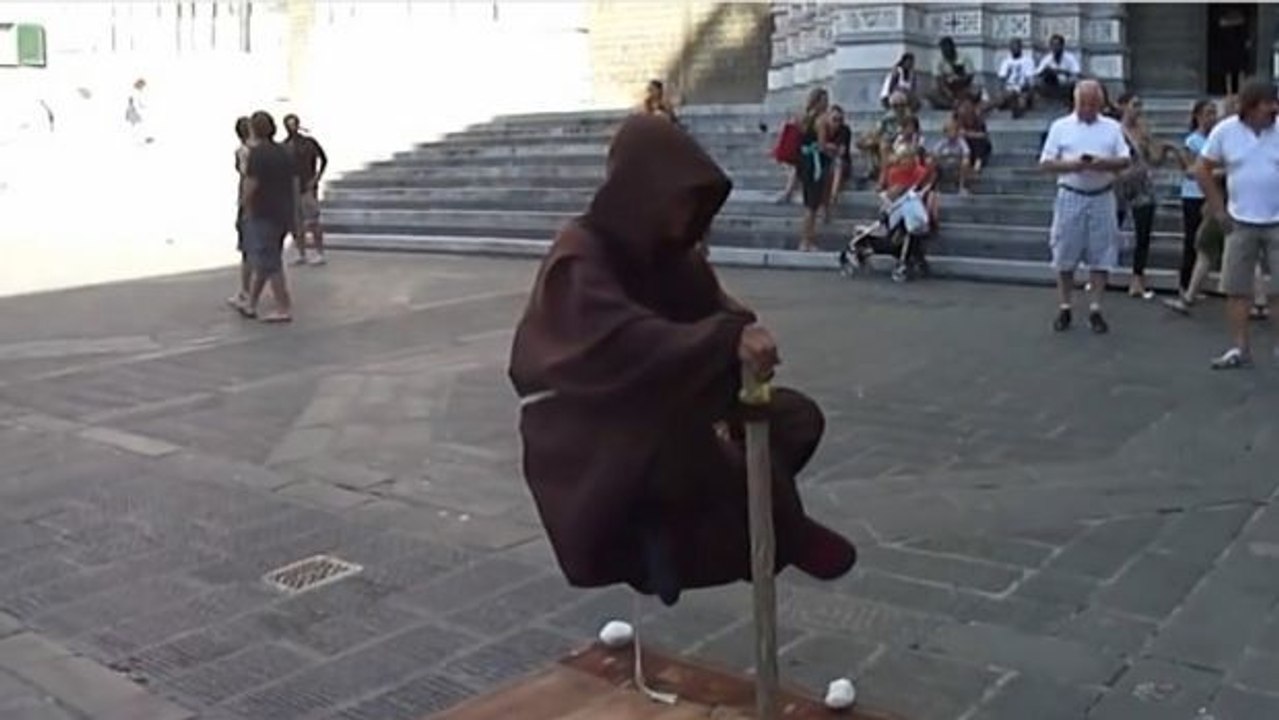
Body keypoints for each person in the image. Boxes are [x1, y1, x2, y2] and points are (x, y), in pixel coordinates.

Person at [507, 115, 856, 606]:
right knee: (695, 451)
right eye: (676, 203)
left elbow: (721, 312)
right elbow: (620, 341)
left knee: (794, 420)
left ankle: (680, 533)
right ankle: (783, 535)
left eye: (693, 207)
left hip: (670, 401)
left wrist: (739, 336)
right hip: (587, 423)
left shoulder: (674, 257)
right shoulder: (581, 253)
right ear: (641, 193)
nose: (682, 219)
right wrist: (724, 339)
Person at [1196, 80, 1279, 369]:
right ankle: (1239, 348)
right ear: (1251, 107)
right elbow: (1202, 169)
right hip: (1240, 221)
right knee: (1236, 289)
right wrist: (1219, 210)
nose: (1274, 109)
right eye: (1268, 104)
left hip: (1277, 221)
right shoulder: (1226, 131)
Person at [1039, 80, 1131, 334]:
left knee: (1102, 253)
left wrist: (1103, 162)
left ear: (1100, 104)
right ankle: (1065, 305)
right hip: (1071, 192)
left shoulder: (1112, 128)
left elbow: (1125, 159)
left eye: (1093, 103)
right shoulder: (1060, 127)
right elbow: (1046, 163)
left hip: (1102, 194)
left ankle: (1095, 307)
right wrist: (1072, 165)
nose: (1088, 108)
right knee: (1064, 252)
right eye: (1084, 103)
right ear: (1075, 102)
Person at [1115, 92, 1181, 299]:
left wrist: (1163, 148)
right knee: (1110, 229)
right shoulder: (1113, 131)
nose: (1138, 110)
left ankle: (1137, 278)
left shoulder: (1144, 130)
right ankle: (1099, 272)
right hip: (1119, 185)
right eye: (1134, 105)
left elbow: (1154, 160)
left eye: (1140, 105)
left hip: (1143, 186)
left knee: (1143, 233)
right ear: (1122, 106)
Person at [239, 111, 296, 323]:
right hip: (283, 211)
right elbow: (293, 182)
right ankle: (251, 304)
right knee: (267, 259)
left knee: (270, 262)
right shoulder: (284, 152)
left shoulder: (257, 154)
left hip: (263, 212)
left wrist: (244, 206)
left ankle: (284, 306)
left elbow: (251, 184)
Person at [282, 113, 329, 266]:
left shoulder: (308, 143)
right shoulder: (284, 145)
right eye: (289, 125)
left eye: (293, 124)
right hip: (291, 187)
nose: (292, 127)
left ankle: (319, 252)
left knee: (313, 221)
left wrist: (317, 177)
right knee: (297, 224)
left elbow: (323, 159)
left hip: (307, 185)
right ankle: (301, 253)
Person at [796, 88, 837, 252]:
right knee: (812, 206)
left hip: (804, 161)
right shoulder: (820, 120)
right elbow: (821, 146)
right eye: (825, 100)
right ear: (819, 102)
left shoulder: (804, 118)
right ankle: (806, 241)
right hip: (815, 164)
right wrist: (832, 148)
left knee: (809, 203)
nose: (827, 103)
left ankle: (806, 240)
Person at [226, 116, 255, 313]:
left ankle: (246, 291)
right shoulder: (264, 148)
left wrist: (244, 203)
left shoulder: (243, 151)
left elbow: (246, 177)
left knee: (247, 250)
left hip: (250, 203)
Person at [930, 37, 979, 110]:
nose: (946, 51)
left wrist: (960, 81)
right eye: (944, 50)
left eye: (948, 49)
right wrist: (946, 91)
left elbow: (970, 76)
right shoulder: (938, 60)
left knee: (974, 92)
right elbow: (938, 80)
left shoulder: (964, 57)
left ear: (953, 48)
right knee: (932, 94)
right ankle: (955, 105)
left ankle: (960, 103)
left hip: (963, 86)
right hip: (946, 88)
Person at [824, 105, 854, 222]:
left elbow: (841, 152)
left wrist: (827, 148)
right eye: (834, 119)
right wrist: (829, 148)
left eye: (840, 120)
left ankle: (833, 197)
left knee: (838, 163)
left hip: (843, 165)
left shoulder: (845, 130)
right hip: (826, 164)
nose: (837, 123)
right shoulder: (823, 130)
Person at [1036, 35, 1081, 105]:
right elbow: (1038, 73)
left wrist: (1061, 71)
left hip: (1067, 84)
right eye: (1053, 45)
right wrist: (1048, 71)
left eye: (1057, 45)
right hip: (1052, 84)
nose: (1055, 47)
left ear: (1062, 46)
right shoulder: (1047, 59)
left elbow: (1076, 73)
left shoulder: (1070, 58)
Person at [996, 38, 1036, 118]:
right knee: (999, 100)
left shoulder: (1028, 61)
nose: (1014, 49)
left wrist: (1022, 89)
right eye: (1012, 47)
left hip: (1022, 89)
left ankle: (1017, 109)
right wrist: (1003, 90)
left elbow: (1030, 80)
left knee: (1022, 100)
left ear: (1021, 47)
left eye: (1016, 46)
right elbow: (1001, 79)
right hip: (1009, 89)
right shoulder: (1006, 61)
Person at [931, 119, 973, 194]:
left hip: (957, 163)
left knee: (966, 162)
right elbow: (934, 152)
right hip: (944, 163)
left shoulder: (961, 141)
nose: (951, 133)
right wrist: (941, 156)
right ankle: (935, 188)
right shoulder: (943, 141)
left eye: (953, 131)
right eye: (948, 131)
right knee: (931, 162)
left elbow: (967, 152)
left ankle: (962, 187)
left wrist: (962, 157)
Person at [955, 98, 992, 172]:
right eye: (964, 107)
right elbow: (957, 133)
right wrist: (971, 134)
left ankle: (977, 164)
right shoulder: (958, 120)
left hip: (979, 146)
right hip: (965, 145)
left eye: (968, 107)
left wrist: (969, 134)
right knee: (965, 141)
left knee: (979, 142)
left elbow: (983, 135)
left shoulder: (978, 120)